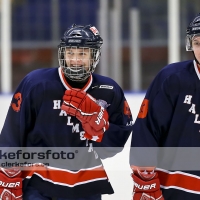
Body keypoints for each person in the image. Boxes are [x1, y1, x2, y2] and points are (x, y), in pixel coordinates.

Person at [0, 24, 133, 200]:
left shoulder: (108, 91)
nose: (75, 60)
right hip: (38, 182)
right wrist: (8, 178)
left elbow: (113, 147)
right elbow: (13, 134)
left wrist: (100, 128)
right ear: (62, 54)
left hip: (86, 184)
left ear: (95, 56)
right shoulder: (37, 84)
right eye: (70, 53)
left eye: (82, 54)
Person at [130, 13, 200, 200]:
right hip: (174, 189)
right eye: (198, 43)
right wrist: (146, 183)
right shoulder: (172, 78)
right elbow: (146, 132)